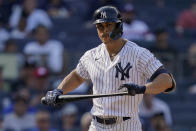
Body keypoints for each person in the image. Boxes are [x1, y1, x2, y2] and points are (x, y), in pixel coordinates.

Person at [43, 6, 176, 131]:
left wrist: (143, 89)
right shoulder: (91, 55)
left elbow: (167, 81)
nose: (104, 30)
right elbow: (78, 76)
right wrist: (59, 90)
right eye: (100, 26)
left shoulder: (139, 53)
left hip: (127, 125)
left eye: (109, 25)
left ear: (119, 26)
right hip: (97, 124)